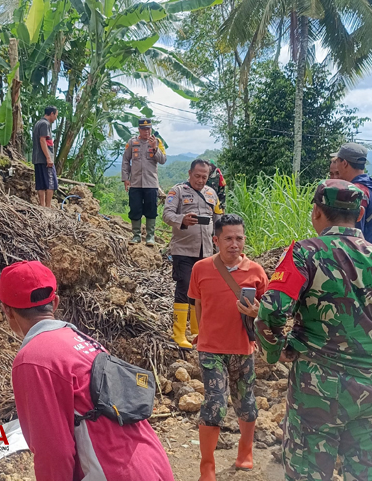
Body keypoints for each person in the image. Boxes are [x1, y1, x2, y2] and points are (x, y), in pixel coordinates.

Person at [256, 180, 372, 481]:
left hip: (317, 392)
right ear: (359, 214)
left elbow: (271, 313)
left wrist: (279, 351)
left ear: (317, 212)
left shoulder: (303, 254)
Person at [0, 261, 175, 481]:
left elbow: (53, 450)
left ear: (6, 310)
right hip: (152, 464)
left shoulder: (32, 360)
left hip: (113, 473)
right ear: (54, 303)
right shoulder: (84, 341)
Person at [188, 214, 268, 479]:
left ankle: (245, 450)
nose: (235, 244)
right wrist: (199, 331)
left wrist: (257, 312)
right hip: (210, 349)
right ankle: (207, 466)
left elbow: (268, 310)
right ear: (216, 240)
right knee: (214, 403)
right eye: (228, 238)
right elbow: (197, 303)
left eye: (239, 238)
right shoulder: (200, 268)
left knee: (245, 402)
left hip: (243, 347)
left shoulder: (256, 271)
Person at [162, 159, 223, 348]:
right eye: (197, 176)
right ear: (189, 173)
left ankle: (197, 331)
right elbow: (167, 214)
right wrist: (183, 219)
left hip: (206, 252)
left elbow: (219, 219)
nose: (201, 180)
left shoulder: (211, 193)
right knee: (184, 288)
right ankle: (179, 334)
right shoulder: (177, 191)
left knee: (201, 292)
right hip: (183, 250)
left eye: (204, 177)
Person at [121, 118, 167, 246]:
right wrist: (125, 178)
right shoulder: (132, 142)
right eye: (143, 129)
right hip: (135, 183)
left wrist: (155, 148)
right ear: (139, 129)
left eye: (148, 129)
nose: (146, 132)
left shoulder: (157, 142)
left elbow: (163, 160)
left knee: (151, 210)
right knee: (135, 209)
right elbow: (125, 160)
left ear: (151, 129)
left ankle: (150, 237)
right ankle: (136, 236)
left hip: (151, 183)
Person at [331, 143, 372, 247]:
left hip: (365, 257)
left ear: (344, 163)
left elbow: (353, 234)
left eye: (337, 161)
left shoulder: (356, 192)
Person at [32, 106, 59, 208]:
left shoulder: (38, 123)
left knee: (41, 184)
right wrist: (48, 157)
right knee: (51, 183)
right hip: (44, 159)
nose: (56, 118)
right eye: (56, 115)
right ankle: (48, 207)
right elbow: (42, 140)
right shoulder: (45, 124)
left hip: (37, 158)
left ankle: (42, 207)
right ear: (51, 113)